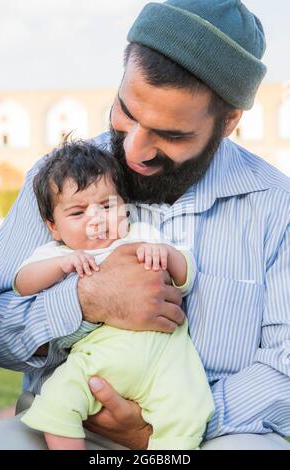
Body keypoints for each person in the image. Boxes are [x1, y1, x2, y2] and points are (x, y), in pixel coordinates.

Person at [0, 0, 289, 450]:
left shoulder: (276, 207)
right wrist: (86, 300)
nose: (134, 150)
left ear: (228, 123)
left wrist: (168, 422)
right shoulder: (55, 182)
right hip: (67, 425)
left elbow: (285, 366)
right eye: (126, 112)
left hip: (218, 431)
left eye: (171, 134)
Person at [14, 139, 213, 450]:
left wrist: (165, 254)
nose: (97, 219)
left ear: (125, 206)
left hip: (165, 357)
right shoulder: (58, 252)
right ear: (53, 226)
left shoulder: (140, 236)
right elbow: (22, 282)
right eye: (78, 212)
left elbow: (186, 274)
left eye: (107, 206)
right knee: (56, 402)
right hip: (96, 360)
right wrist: (60, 265)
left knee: (186, 415)